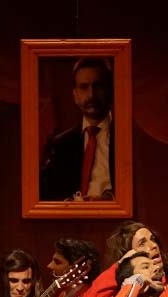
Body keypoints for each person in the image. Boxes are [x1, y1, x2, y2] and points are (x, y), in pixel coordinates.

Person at [40, 57, 114, 201]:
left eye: (98, 86)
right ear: (75, 95)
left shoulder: (127, 137)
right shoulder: (60, 144)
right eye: (84, 87)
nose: (91, 95)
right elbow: (47, 193)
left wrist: (111, 200)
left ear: (110, 90)